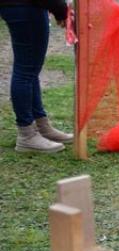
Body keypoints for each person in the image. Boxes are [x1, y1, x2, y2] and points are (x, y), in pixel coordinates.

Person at [0, 0, 74, 153]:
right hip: (26, 7)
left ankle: (41, 126)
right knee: (26, 71)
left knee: (30, 70)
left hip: (23, 6)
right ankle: (26, 135)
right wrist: (60, 8)